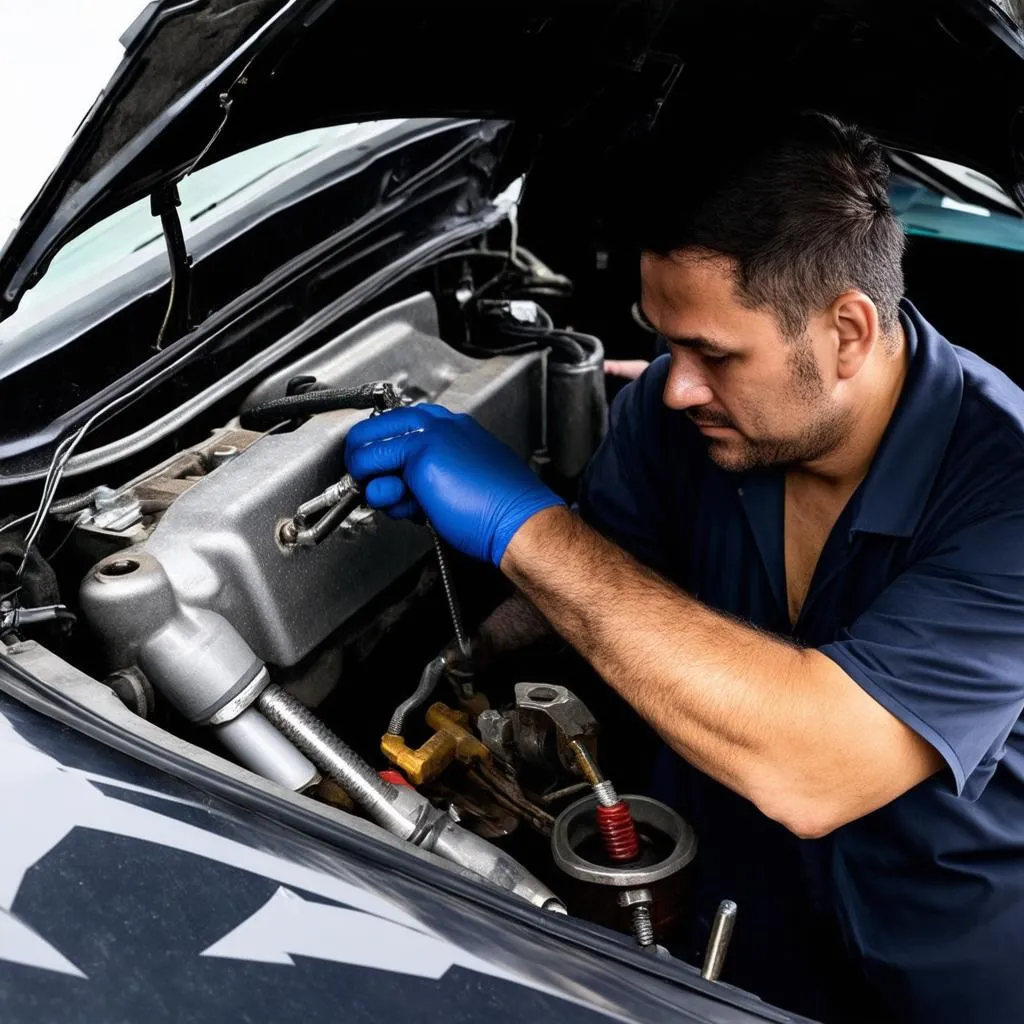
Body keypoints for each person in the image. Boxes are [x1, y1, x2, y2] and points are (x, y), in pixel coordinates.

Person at [343, 112, 1024, 1024]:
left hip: (947, 973)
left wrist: (523, 524)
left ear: (850, 332)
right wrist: (447, 672)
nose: (676, 385)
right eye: (666, 340)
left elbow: (812, 765)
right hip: (717, 946)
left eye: (715, 353)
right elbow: (594, 602)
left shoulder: (1006, 493)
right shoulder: (679, 426)